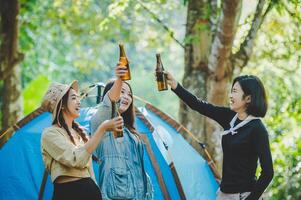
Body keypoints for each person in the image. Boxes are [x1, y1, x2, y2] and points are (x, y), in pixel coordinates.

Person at [165, 73, 274, 200]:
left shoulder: (257, 129)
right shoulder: (229, 117)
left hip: (243, 195)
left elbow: (268, 172)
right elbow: (198, 105)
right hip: (223, 194)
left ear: (248, 98)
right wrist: (175, 85)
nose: (230, 96)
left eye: (234, 91)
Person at [41, 80, 123, 200]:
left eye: (79, 98)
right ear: (61, 104)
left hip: (91, 193)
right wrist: (102, 128)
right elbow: (75, 159)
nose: (79, 102)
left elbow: (90, 173)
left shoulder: (80, 135)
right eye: (74, 98)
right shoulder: (50, 134)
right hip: (67, 194)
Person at [90, 64, 153, 200]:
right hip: (115, 195)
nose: (126, 97)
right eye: (121, 92)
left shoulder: (130, 131)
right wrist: (120, 79)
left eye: (129, 94)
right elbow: (109, 103)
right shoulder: (100, 121)